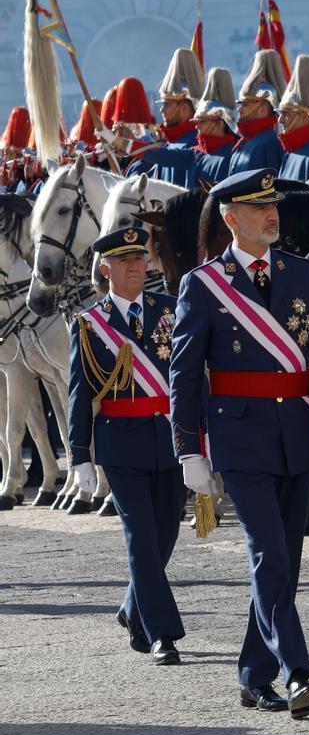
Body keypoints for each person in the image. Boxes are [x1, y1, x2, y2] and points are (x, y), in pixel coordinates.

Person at [169, 168, 309, 718]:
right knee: (269, 555)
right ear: (232, 219)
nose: (271, 215)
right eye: (258, 209)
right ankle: (297, 673)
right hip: (239, 437)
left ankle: (253, 677)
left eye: (273, 206)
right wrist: (188, 449)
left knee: (285, 565)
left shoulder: (302, 275)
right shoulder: (202, 285)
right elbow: (184, 376)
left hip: (298, 434)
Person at [67, 227, 185, 666]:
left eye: (140, 258)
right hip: (122, 444)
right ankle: (161, 634)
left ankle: (133, 607)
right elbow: (80, 393)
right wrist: (79, 454)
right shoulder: (90, 324)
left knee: (166, 535)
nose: (137, 267)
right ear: (106, 269)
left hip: (170, 440)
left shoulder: (171, 309)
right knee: (141, 538)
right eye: (125, 261)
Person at [127, 48, 205, 188]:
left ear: (184, 108)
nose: (162, 110)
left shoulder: (194, 142)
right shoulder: (169, 144)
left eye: (167, 104)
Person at [228, 50, 287, 174]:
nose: (239, 109)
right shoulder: (242, 143)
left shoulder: (269, 144)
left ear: (262, 110)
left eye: (246, 104)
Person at [192, 67, 239, 185]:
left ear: (219, 123)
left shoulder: (233, 156)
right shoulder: (200, 154)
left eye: (202, 122)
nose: (197, 127)